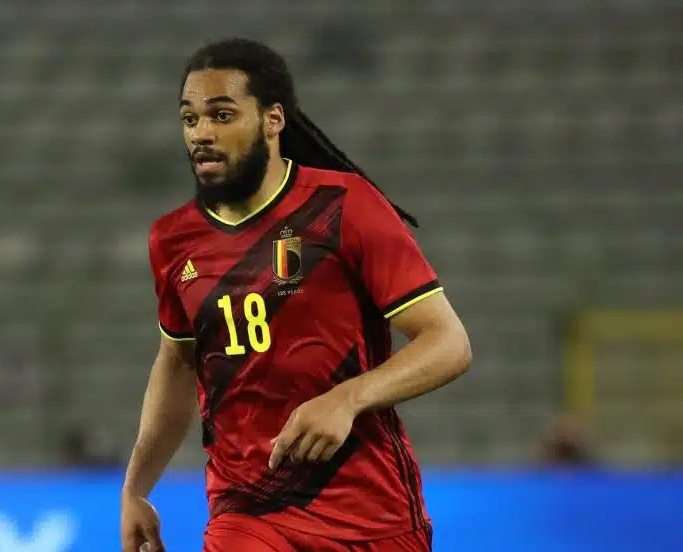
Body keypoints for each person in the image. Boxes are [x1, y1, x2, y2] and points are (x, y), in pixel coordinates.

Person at [121, 38, 472, 552]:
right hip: (248, 511)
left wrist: (348, 399)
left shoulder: (343, 206)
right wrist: (135, 488)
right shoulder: (172, 241)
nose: (201, 133)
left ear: (273, 119)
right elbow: (177, 362)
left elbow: (449, 343)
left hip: (371, 515)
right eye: (190, 119)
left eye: (221, 115)